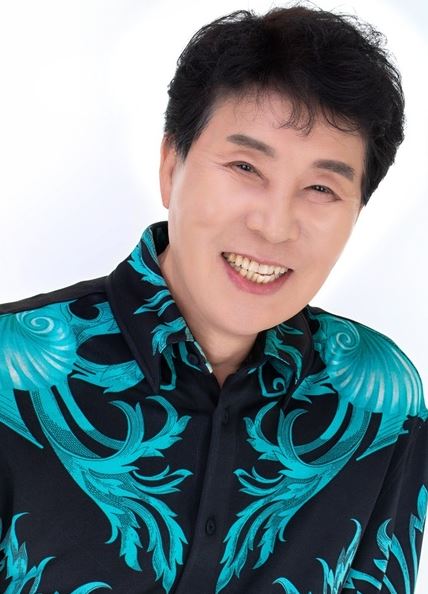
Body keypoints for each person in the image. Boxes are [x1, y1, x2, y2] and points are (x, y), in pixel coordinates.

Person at [0, 4, 426, 594]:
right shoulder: (11, 373)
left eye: (321, 187)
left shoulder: (380, 398)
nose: (275, 225)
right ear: (170, 165)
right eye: (246, 166)